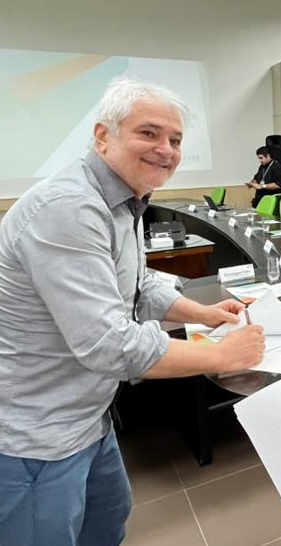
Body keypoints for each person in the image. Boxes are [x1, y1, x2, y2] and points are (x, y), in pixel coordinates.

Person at [0, 78, 265, 546]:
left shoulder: (125, 200)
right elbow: (110, 345)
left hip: (89, 416)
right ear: (103, 136)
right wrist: (224, 356)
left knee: (107, 522)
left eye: (176, 140)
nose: (166, 150)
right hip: (36, 435)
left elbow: (139, 285)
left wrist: (202, 315)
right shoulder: (68, 207)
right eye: (149, 133)